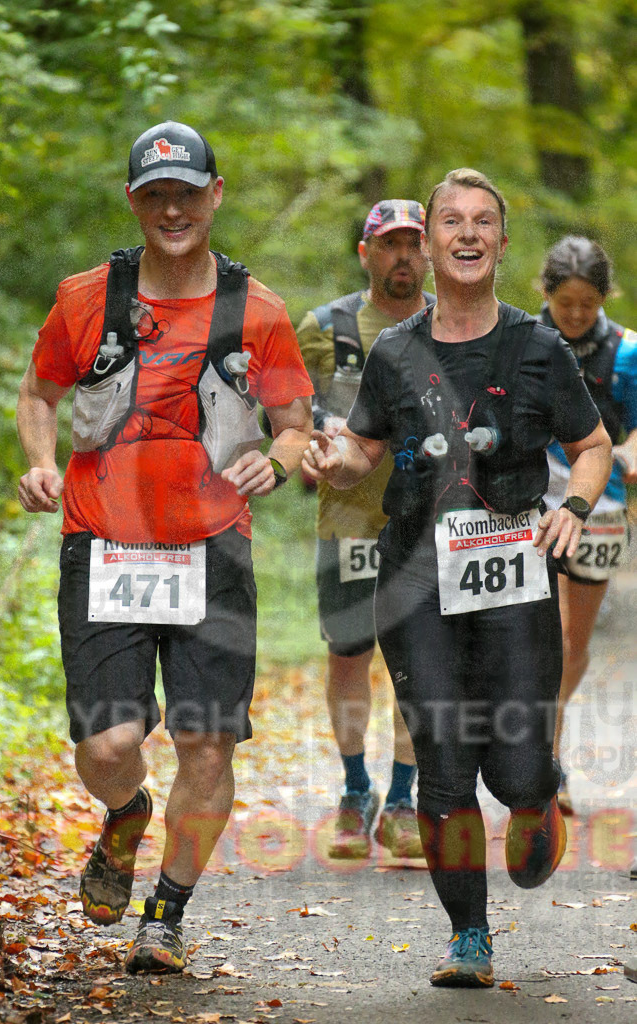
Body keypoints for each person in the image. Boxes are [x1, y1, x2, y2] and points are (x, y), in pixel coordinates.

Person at [16, 121, 314, 975]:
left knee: (207, 743)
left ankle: (166, 915)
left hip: (212, 548)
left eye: (187, 192)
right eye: (156, 195)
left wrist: (274, 461)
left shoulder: (257, 311)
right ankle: (126, 812)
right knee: (108, 745)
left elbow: (294, 424)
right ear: (133, 201)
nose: (173, 209)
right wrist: (41, 464)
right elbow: (38, 395)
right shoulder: (87, 299)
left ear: (215, 195)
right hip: (104, 544)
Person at [303, 169, 612, 988]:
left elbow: (590, 447)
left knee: (514, 769)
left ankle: (535, 795)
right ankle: (467, 937)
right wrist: (335, 459)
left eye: (481, 221)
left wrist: (573, 507)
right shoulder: (394, 351)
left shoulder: (537, 347)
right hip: (414, 583)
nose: (466, 233)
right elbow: (362, 450)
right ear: (432, 241)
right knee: (441, 766)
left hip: (513, 579)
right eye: (450, 221)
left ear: (501, 243)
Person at [297, 200, 434, 860]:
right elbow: (289, 412)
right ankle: (356, 791)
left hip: (429, 525)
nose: (401, 256)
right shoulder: (325, 327)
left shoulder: (453, 323)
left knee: (418, 663)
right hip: (348, 521)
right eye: (388, 244)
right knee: (348, 656)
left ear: (428, 253)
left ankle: (403, 800)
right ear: (365, 252)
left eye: (412, 244)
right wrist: (306, 442)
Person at [537, 236, 637, 814]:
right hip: (535, 505)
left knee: (575, 641)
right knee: (548, 638)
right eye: (565, 303)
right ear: (545, 293)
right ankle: (546, 763)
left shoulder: (627, 351)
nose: (575, 315)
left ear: (606, 298)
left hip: (602, 508)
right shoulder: (521, 339)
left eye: (588, 304)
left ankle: (549, 741)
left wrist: (630, 452)